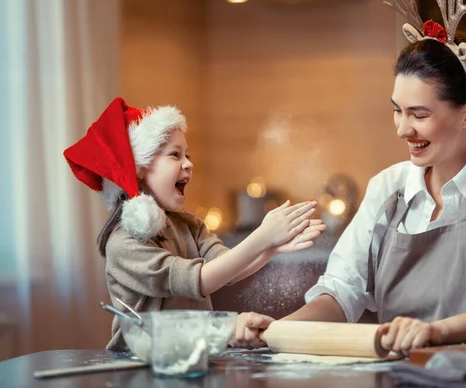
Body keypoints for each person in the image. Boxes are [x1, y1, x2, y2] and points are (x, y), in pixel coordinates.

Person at [231, 0, 466, 353]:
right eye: (397, 111)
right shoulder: (387, 188)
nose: (402, 129)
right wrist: (278, 330)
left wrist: (435, 333)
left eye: (418, 114)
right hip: (400, 374)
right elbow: (342, 292)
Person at [64, 97, 326, 349]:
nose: (189, 164)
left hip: (192, 352)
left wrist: (273, 247)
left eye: (187, 154)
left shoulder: (189, 226)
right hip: (140, 362)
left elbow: (226, 271)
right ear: (140, 168)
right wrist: (262, 237)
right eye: (175, 155)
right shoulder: (123, 243)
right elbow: (199, 281)